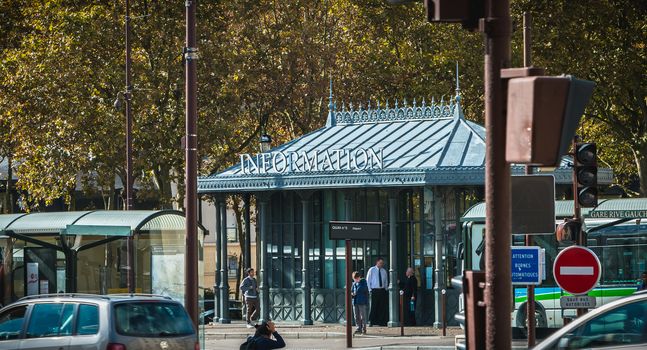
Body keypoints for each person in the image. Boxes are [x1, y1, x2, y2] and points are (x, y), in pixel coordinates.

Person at [366, 257, 388, 326]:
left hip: (382, 290)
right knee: (373, 306)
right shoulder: (372, 270)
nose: (381, 264)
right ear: (377, 262)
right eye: (380, 263)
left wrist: (386, 289)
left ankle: (381, 322)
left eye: (382, 263)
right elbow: (368, 280)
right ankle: (371, 322)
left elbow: (386, 281)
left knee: (382, 307)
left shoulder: (384, 271)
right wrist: (370, 290)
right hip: (374, 290)